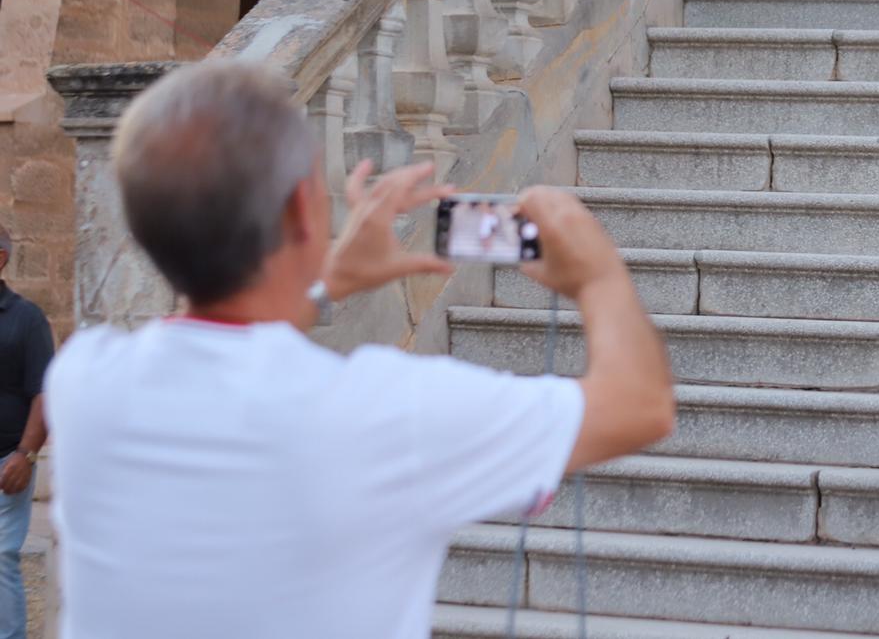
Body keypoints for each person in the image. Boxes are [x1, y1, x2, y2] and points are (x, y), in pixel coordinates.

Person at [44, 61, 674, 639]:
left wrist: (326, 285)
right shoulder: (388, 415)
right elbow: (640, 405)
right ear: (300, 210)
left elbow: (226, 354)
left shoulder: (82, 381)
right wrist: (598, 274)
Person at [0, 223, 53, 639]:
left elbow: (43, 394)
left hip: (8, 462)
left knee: (1, 558)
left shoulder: (27, 319)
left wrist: (26, 454)